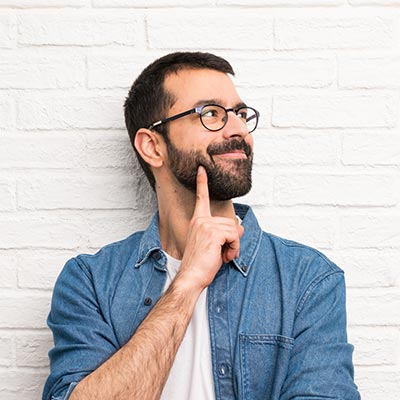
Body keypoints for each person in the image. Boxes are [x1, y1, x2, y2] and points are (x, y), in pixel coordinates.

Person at [43, 52, 360, 400]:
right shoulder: (90, 282)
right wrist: (187, 283)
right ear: (153, 146)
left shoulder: (309, 280)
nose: (238, 129)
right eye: (211, 113)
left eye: (240, 113)